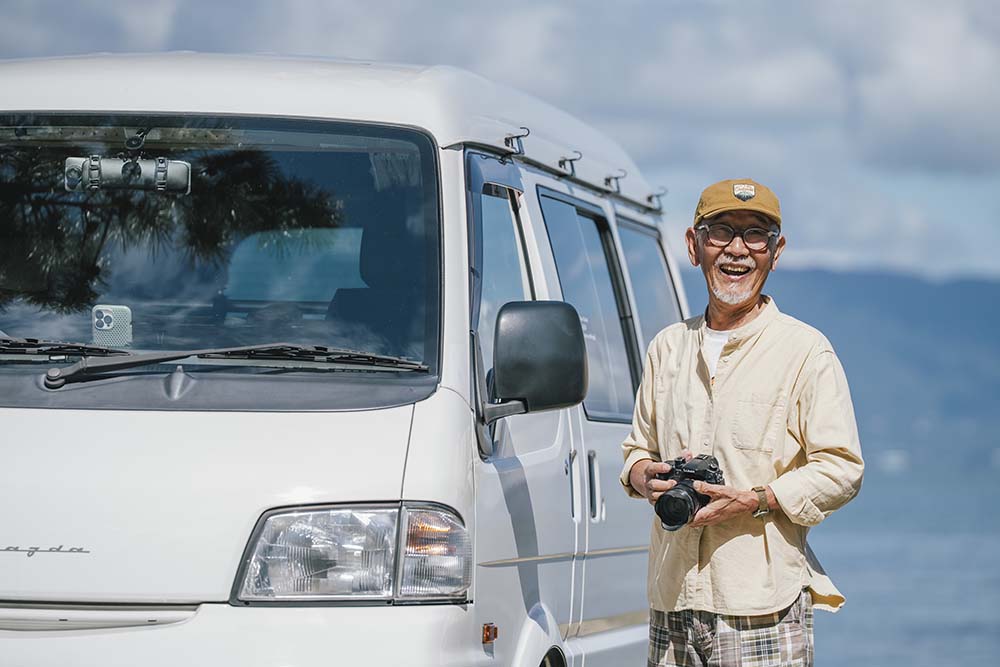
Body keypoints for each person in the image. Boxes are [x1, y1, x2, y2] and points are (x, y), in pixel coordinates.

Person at [620, 179, 864, 666]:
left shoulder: (805, 351)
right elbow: (636, 450)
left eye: (757, 235)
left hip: (761, 605)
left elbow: (842, 468)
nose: (738, 250)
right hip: (673, 600)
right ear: (694, 245)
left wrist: (757, 499)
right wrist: (642, 475)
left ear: (777, 252)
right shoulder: (666, 347)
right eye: (722, 232)